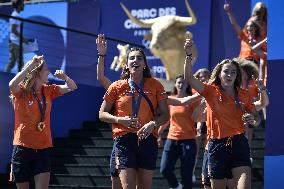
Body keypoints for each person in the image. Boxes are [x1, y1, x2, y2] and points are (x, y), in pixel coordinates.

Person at [184, 38, 260, 189]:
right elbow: (189, 78)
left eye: (233, 72)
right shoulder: (210, 91)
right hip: (216, 146)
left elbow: (256, 119)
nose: (229, 75)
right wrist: (188, 55)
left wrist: (252, 119)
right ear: (219, 74)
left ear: (237, 76)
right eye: (226, 71)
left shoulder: (244, 94)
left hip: (239, 143)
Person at [99, 43, 169, 189]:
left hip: (148, 139)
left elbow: (165, 115)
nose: (135, 61)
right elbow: (102, 114)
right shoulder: (117, 86)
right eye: (131, 58)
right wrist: (119, 120)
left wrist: (152, 124)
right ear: (126, 64)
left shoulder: (156, 85)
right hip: (124, 140)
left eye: (139, 58)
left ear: (144, 64)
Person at [9, 55, 77, 189]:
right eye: (46, 69)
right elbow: (12, 85)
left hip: (43, 148)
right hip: (22, 148)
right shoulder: (22, 92)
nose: (49, 72)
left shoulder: (48, 90)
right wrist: (31, 65)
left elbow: (72, 87)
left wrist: (65, 78)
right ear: (37, 72)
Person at [158, 74, 202, 189]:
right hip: (171, 139)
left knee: (186, 175)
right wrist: (159, 132)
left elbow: (197, 116)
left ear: (187, 85)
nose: (181, 85)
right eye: (179, 82)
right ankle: (177, 187)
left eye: (183, 82)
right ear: (175, 84)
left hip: (188, 140)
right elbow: (166, 118)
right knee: (165, 169)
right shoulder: (171, 99)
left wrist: (198, 126)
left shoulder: (192, 99)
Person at [96, 34, 122, 189]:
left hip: (139, 142)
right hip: (120, 141)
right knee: (116, 179)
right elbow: (100, 76)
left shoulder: (147, 90)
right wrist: (102, 54)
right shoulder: (117, 88)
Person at [6, 0, 30, 73]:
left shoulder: (15, 15)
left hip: (14, 42)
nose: (24, 6)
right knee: (21, 64)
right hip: (15, 43)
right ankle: (22, 82)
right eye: (23, 4)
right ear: (19, 5)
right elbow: (13, 30)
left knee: (12, 63)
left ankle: (3, 77)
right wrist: (23, 39)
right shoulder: (15, 15)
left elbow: (14, 30)